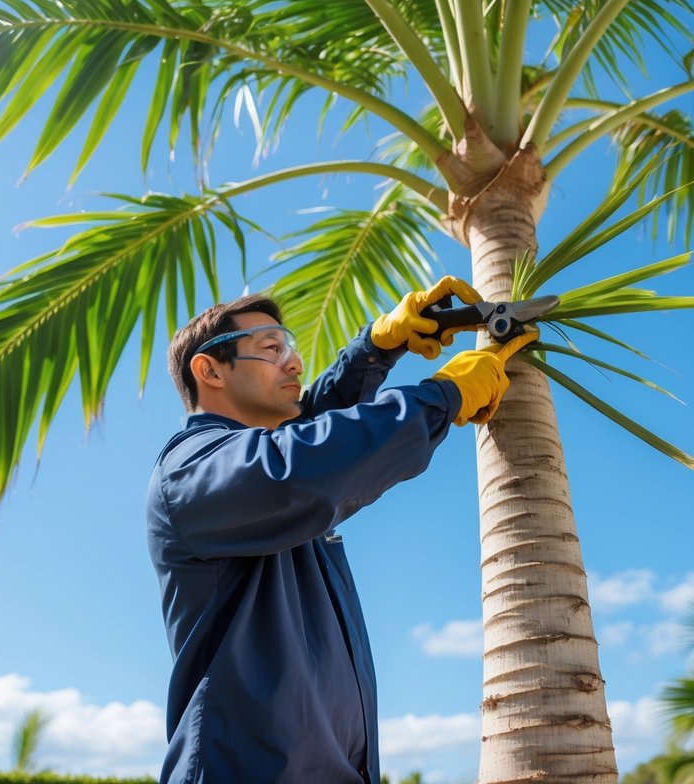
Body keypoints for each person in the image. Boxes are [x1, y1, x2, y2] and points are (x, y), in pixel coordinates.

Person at [146, 277, 537, 784]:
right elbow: (303, 466)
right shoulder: (191, 471)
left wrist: (376, 347)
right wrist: (442, 397)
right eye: (271, 348)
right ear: (210, 369)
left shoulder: (249, 475)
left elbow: (309, 433)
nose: (294, 361)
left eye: (290, 346)